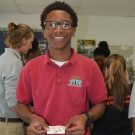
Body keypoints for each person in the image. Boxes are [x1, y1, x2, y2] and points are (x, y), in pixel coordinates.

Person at [15, 1, 107, 135]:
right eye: (51, 24)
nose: (58, 30)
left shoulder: (90, 66)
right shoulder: (30, 67)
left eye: (65, 24)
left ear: (74, 30)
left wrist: (85, 117)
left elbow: (101, 104)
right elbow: (20, 104)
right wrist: (32, 118)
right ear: (44, 31)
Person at [0, 22, 34, 135]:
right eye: (30, 42)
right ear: (23, 40)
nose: (31, 46)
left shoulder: (3, 58)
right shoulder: (14, 62)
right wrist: (30, 118)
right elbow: (12, 98)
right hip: (11, 126)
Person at [92, 54, 132, 135]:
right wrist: (129, 85)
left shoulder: (97, 90)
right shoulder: (132, 91)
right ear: (125, 72)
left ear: (106, 69)